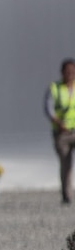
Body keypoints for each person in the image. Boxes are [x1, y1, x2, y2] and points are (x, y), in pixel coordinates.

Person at [45, 58, 75, 204]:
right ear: (62, 72)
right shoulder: (55, 88)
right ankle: (66, 194)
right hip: (61, 133)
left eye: (72, 71)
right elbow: (49, 108)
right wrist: (58, 122)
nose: (69, 74)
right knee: (66, 164)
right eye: (67, 71)